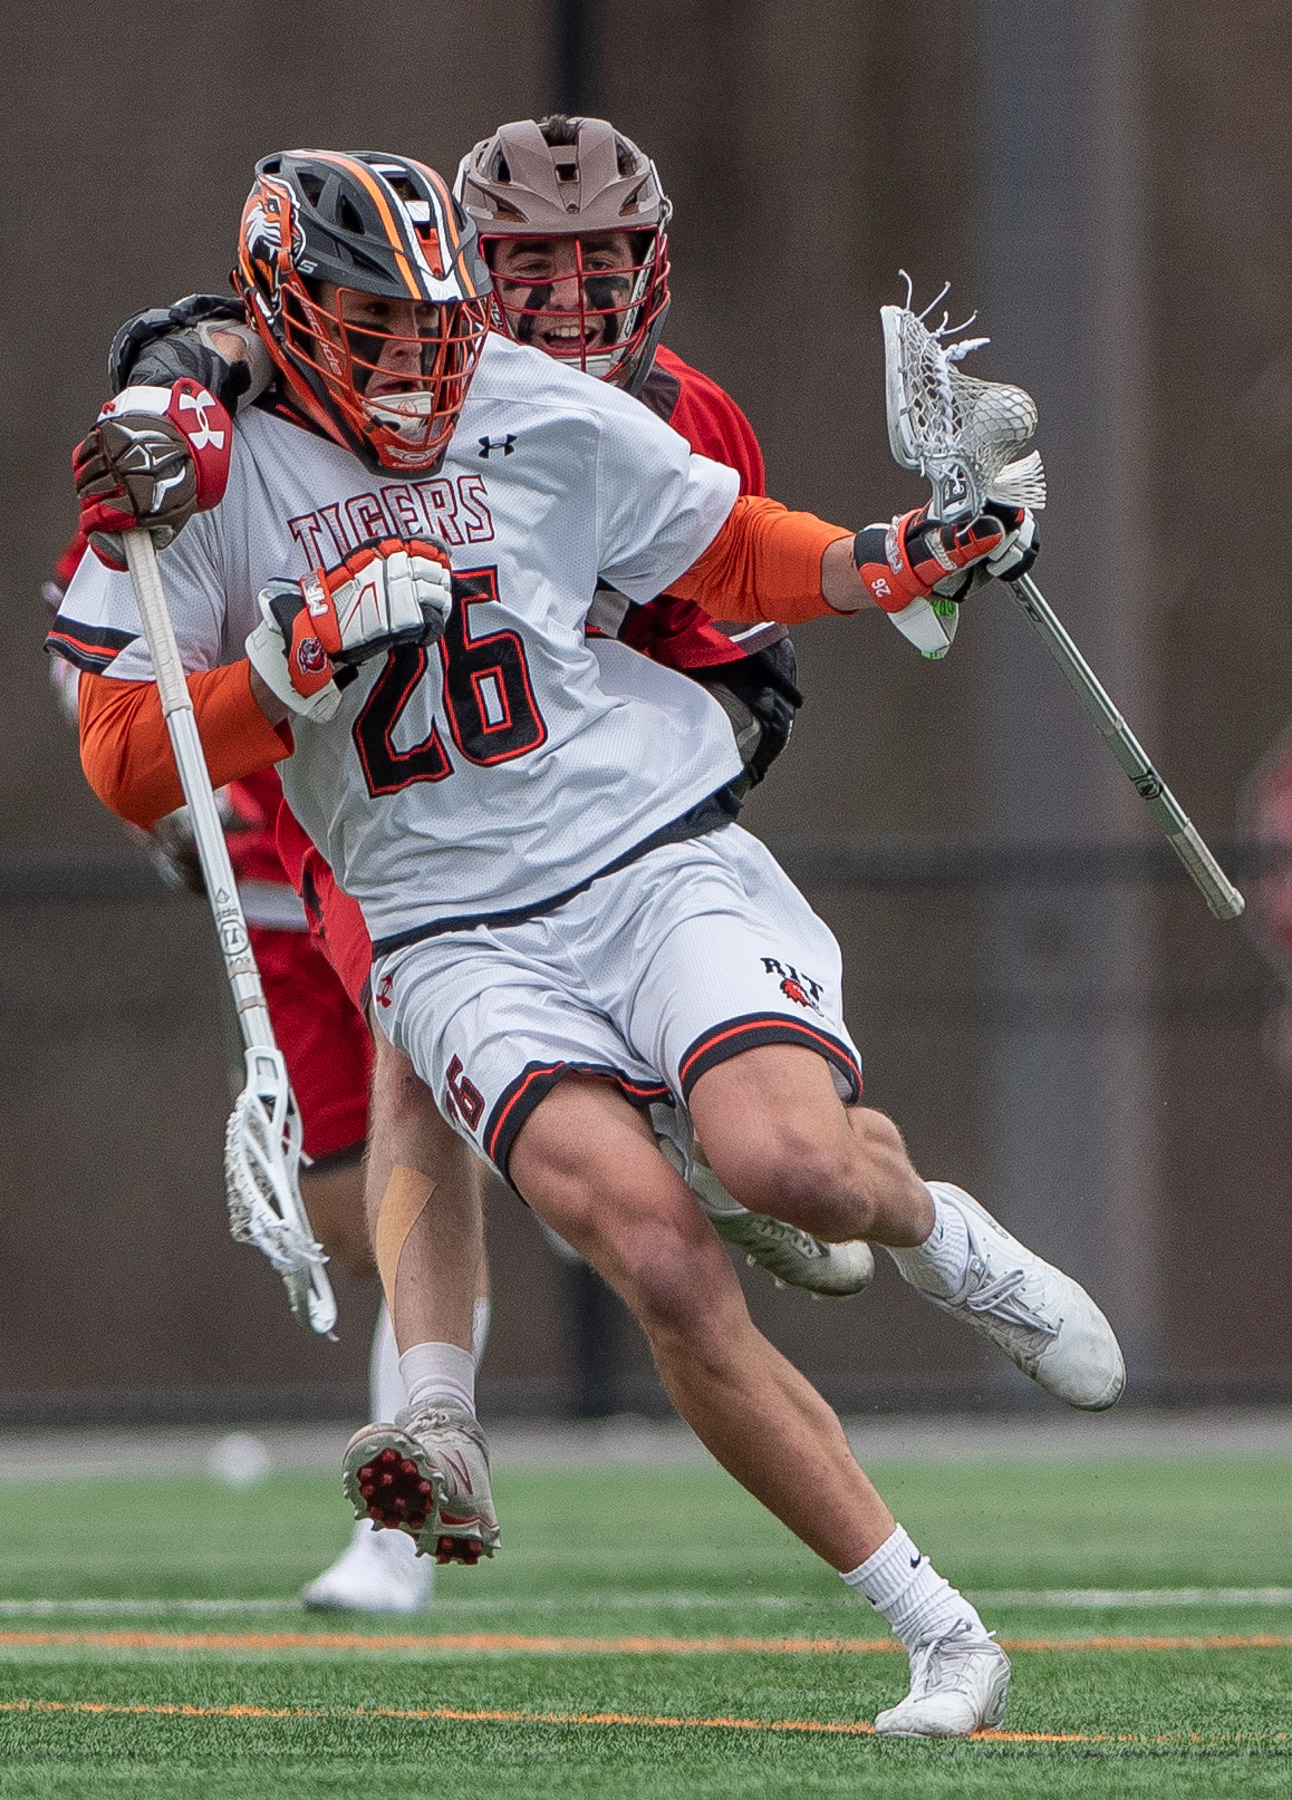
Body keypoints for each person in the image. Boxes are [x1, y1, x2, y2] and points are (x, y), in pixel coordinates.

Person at [55, 147, 1124, 1737]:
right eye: (375, 328)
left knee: (797, 1171)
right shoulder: (202, 469)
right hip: (447, 926)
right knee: (659, 1251)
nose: (425, 364)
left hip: (641, 851)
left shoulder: (520, 393)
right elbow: (125, 755)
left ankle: (936, 1227)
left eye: (435, 324)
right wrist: (289, 662)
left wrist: (899, 554)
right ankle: (939, 1629)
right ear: (283, 312)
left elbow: (726, 546)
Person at [71, 118, 873, 1615]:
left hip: (549, 832)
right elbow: (121, 699)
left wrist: (873, 570)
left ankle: (442, 1427)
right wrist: (183, 378)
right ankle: (454, 1395)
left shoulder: (659, 414)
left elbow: (736, 621)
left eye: (603, 263)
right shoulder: (233, 422)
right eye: (535, 269)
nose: (569, 304)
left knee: (443, 1045)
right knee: (343, 1192)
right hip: (339, 811)